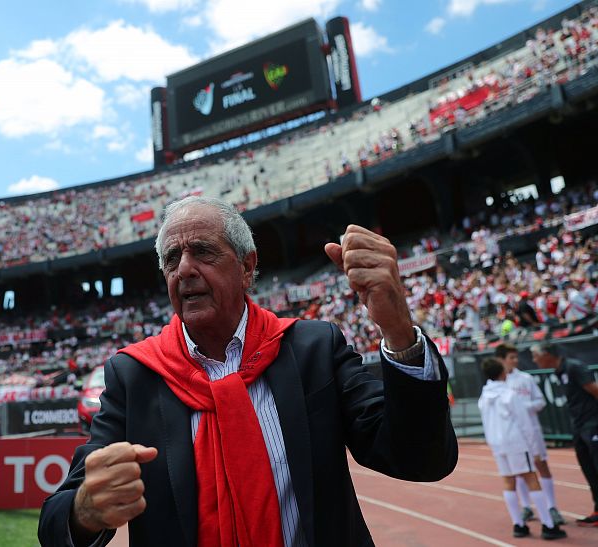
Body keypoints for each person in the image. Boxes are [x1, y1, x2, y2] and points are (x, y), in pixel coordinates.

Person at [38, 196, 458, 547]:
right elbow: (57, 522)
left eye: (202, 251)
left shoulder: (313, 348)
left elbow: (420, 459)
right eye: (172, 259)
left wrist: (398, 329)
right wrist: (85, 511)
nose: (184, 269)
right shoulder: (135, 375)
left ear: (246, 267)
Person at [478, 357, 566, 539]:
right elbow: (525, 424)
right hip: (516, 443)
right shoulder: (510, 395)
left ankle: (518, 524)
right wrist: (534, 449)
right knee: (532, 479)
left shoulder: (484, 397)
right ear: (502, 373)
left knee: (508, 482)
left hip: (497, 443)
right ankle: (548, 525)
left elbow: (486, 425)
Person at [495, 343, 564, 525]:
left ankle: (552, 506)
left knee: (541, 466)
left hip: (531, 431)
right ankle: (526, 507)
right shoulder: (497, 383)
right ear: (501, 360)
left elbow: (540, 401)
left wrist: (523, 408)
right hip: (512, 436)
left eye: (516, 357)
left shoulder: (526, 378)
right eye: (511, 357)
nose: (515, 361)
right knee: (520, 471)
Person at [532, 343, 598, 527]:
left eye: (536, 356)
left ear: (546, 354)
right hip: (579, 426)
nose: (534, 360)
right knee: (589, 469)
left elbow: (595, 391)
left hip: (592, 425)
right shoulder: (559, 371)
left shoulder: (574, 367)